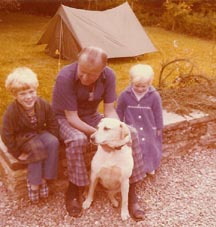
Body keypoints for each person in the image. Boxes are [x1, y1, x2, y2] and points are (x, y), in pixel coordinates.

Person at [52, 46, 146, 220]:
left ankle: (132, 191)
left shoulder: (109, 76)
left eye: (91, 74)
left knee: (130, 132)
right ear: (78, 63)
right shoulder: (65, 77)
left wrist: (117, 131)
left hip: (91, 115)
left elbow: (110, 111)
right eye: (82, 72)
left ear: (102, 70)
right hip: (63, 118)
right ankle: (74, 189)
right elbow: (72, 118)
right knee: (77, 139)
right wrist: (101, 138)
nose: (85, 77)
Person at [1, 67, 59, 204]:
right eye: (22, 94)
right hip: (21, 138)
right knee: (36, 147)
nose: (28, 97)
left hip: (38, 133)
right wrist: (16, 153)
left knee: (53, 142)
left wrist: (52, 136)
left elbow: (52, 122)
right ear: (15, 95)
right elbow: (6, 134)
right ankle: (34, 183)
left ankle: (45, 178)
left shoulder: (42, 104)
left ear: (36, 90)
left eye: (31, 92)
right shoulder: (12, 111)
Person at [116, 64, 163, 176]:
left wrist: (159, 127)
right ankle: (135, 169)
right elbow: (119, 111)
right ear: (131, 82)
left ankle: (149, 167)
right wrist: (119, 126)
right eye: (137, 86)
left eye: (144, 86)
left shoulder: (154, 96)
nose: (140, 89)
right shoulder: (124, 95)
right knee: (133, 148)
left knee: (150, 146)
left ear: (149, 84)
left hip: (149, 127)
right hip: (132, 127)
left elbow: (158, 113)